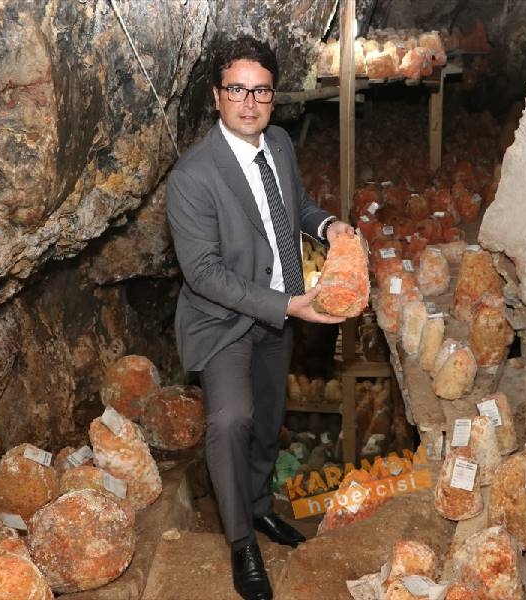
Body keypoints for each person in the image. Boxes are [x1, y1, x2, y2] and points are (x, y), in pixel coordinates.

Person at [165, 35, 354, 600]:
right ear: (216, 96)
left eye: (261, 91)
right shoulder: (193, 176)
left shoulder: (279, 144)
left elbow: (296, 205)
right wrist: (287, 305)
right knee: (231, 421)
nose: (250, 103)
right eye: (237, 90)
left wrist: (327, 227)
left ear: (274, 96)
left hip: (277, 310)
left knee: (269, 419)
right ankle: (241, 541)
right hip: (224, 320)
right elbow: (204, 273)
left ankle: (258, 505)